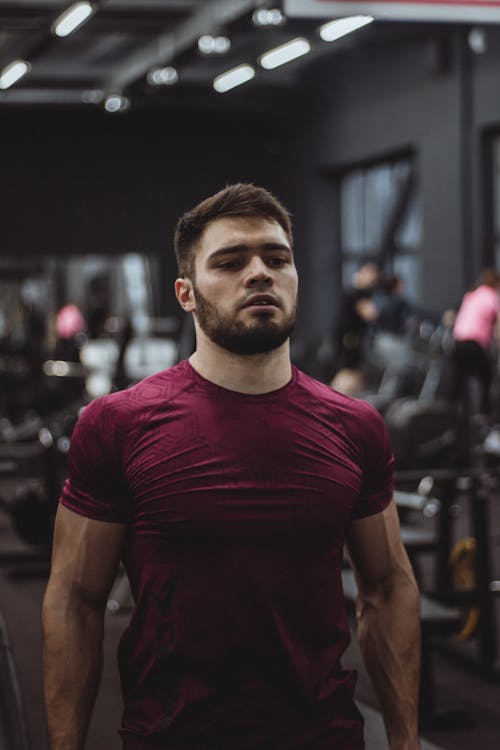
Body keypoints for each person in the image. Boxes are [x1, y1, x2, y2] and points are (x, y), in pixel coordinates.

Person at [42, 184, 421, 750]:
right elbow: (76, 601)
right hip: (171, 736)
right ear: (186, 293)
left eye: (277, 258)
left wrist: (405, 741)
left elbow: (387, 589)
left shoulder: (356, 426)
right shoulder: (116, 423)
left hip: (323, 735)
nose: (260, 272)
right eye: (230, 261)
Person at [451, 267, 500, 418]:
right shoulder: (491, 296)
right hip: (473, 342)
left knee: (460, 380)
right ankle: (485, 415)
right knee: (486, 375)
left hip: (458, 341)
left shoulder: (472, 295)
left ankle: (456, 416)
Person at [331, 262, 379, 395]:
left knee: (356, 374)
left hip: (352, 339)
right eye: (370, 273)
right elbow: (370, 314)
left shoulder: (359, 293)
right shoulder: (356, 294)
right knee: (348, 373)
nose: (373, 278)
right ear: (360, 274)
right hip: (350, 340)